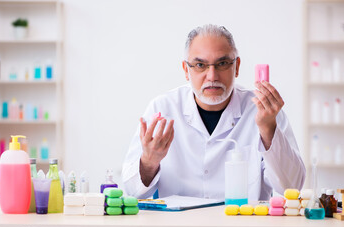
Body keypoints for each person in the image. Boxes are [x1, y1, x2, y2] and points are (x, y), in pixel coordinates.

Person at [122, 24, 305, 200]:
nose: (212, 76)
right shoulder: (162, 109)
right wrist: (148, 162)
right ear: (186, 70)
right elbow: (133, 192)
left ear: (237, 67)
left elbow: (292, 187)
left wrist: (268, 130)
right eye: (200, 65)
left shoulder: (264, 111)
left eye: (222, 63)